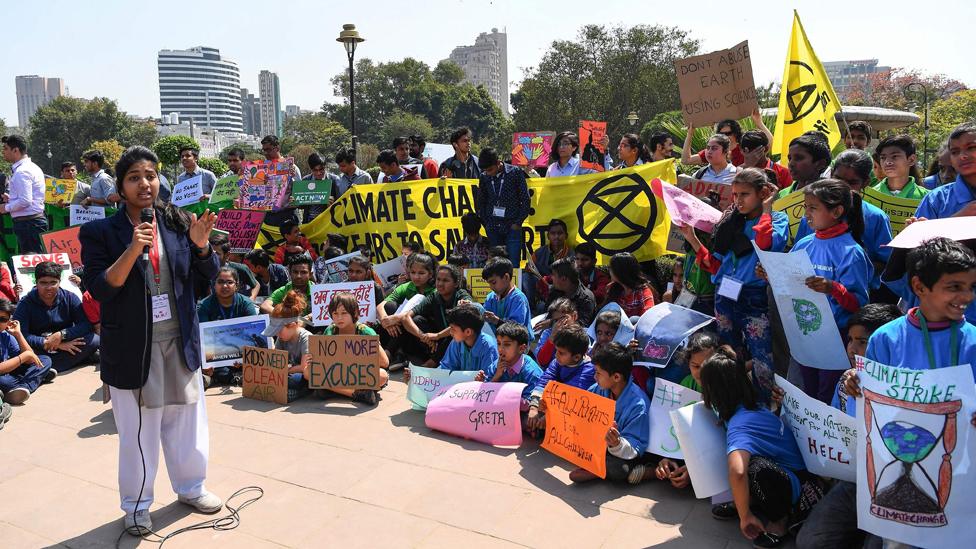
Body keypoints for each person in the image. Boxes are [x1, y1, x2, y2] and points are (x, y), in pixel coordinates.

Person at [79, 145, 222, 535]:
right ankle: (138, 504)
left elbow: (207, 274)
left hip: (180, 341)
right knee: (139, 431)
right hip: (133, 347)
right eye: (134, 178)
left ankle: (191, 487)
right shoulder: (99, 232)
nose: (145, 184)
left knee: (187, 421)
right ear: (121, 188)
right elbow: (99, 289)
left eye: (150, 176)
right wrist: (132, 249)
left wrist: (201, 245)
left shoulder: (178, 222)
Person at [837, 238, 976, 549]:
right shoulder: (887, 339)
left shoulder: (973, 342)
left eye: (971, 286)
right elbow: (870, 397)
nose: (966, 296)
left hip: (963, 468)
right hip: (901, 462)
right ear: (919, 286)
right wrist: (856, 387)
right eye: (954, 287)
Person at [682, 168, 787, 402]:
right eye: (735, 194)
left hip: (754, 297)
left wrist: (767, 209)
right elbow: (714, 264)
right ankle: (733, 401)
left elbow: (766, 243)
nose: (738, 201)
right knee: (729, 354)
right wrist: (691, 236)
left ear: (763, 193)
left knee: (762, 359)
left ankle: (760, 405)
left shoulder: (778, 219)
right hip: (725, 296)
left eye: (745, 194)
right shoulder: (729, 223)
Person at [700, 352, 822, 548]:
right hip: (788, 472)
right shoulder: (750, 406)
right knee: (747, 461)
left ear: (713, 390)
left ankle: (779, 521)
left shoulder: (741, 424)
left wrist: (745, 517)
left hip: (798, 484)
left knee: (754, 467)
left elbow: (737, 472)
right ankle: (747, 502)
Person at [790, 179, 872, 403]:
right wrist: (770, 274)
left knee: (829, 395)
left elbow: (858, 305)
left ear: (837, 211)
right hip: (807, 335)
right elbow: (791, 285)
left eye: (813, 208)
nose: (806, 214)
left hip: (835, 338)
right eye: (806, 207)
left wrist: (832, 287)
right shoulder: (804, 243)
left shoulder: (851, 252)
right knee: (809, 393)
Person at [567, 342, 651, 483]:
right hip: (598, 445)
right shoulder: (598, 389)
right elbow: (580, 412)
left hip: (621, 453)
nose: (595, 377)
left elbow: (635, 447)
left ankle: (597, 468)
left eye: (598, 373)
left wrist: (616, 443)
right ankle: (595, 464)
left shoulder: (638, 405)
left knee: (619, 468)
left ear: (616, 377)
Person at [13, 260, 99, 373]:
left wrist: (62, 335)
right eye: (43, 283)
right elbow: (21, 334)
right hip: (41, 348)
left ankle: (43, 368)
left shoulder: (70, 298)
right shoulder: (25, 304)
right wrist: (49, 343)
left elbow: (85, 325)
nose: (48, 287)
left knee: (94, 339)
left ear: (59, 282)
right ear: (36, 282)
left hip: (67, 343)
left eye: (53, 282)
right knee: (18, 349)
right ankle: (50, 366)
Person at [306, 292, 390, 405]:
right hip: (337, 372)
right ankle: (357, 394)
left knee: (382, 375)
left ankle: (335, 390)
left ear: (354, 313)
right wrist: (314, 359)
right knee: (308, 371)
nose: (339, 317)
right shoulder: (330, 330)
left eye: (344, 313)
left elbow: (385, 362)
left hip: (359, 374)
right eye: (335, 313)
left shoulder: (365, 331)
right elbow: (324, 359)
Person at [525, 323, 595, 433]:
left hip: (573, 415)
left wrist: (549, 416)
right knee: (529, 419)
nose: (556, 355)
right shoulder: (557, 362)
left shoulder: (589, 370)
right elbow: (544, 381)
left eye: (561, 353)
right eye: (556, 350)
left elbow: (571, 397)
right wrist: (534, 407)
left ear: (576, 357)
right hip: (553, 407)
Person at [400, 264, 472, 367]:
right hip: (437, 340)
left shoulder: (462, 296)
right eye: (438, 279)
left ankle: (431, 363)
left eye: (445, 280)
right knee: (417, 320)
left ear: (456, 284)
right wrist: (424, 336)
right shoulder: (434, 296)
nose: (440, 284)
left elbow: (461, 324)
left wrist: (437, 335)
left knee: (454, 333)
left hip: (454, 338)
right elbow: (406, 317)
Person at [404, 303, 495, 383]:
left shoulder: (489, 347)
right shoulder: (456, 343)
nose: (450, 332)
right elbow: (445, 369)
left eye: (453, 329)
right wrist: (417, 377)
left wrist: (482, 380)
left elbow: (490, 378)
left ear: (468, 332)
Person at [196, 267, 258, 385]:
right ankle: (219, 376)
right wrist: (206, 363)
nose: (225, 286)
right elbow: (202, 339)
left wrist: (243, 358)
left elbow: (252, 334)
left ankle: (226, 377)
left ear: (237, 285)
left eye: (229, 282)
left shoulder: (246, 304)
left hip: (242, 353)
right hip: (216, 356)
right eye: (220, 282)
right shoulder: (204, 306)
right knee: (214, 369)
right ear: (214, 285)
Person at [476, 147, 530, 263]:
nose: (488, 173)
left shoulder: (515, 172)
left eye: (490, 169)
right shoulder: (484, 177)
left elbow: (525, 200)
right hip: (493, 228)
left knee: (513, 264)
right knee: (496, 265)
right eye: (485, 170)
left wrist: (518, 223)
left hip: (512, 226)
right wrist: (487, 224)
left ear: (498, 162)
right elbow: (481, 202)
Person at [376, 253, 437, 354]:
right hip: (400, 330)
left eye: (421, 273)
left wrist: (395, 319)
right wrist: (385, 320)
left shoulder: (434, 291)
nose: (416, 277)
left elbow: (416, 314)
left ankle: (389, 352)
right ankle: (394, 352)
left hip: (421, 334)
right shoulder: (406, 286)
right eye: (413, 272)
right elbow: (381, 305)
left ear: (430, 274)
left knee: (414, 318)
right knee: (390, 306)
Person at [914, 122, 976, 221]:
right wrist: (957, 220)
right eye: (955, 152)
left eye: (971, 147)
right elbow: (918, 236)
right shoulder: (935, 199)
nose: (962, 156)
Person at [0, 299, 55, 405]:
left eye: (2, 319)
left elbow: (31, 358)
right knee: (4, 382)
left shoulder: (5, 335)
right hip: (3, 376)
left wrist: (18, 334)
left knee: (45, 360)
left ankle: (22, 387)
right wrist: (23, 357)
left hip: (10, 372)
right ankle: (36, 378)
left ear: (8, 321)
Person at [263, 290, 313, 402]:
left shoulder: (306, 338)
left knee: (296, 379)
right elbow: (276, 361)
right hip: (289, 372)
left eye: (279, 330)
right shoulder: (281, 338)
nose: (277, 334)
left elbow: (303, 367)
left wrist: (283, 370)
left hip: (304, 375)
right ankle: (286, 391)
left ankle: (302, 392)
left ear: (293, 325)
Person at [1, 135, 48, 254]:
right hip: (30, 223)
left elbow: (26, 200)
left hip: (29, 224)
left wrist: (5, 208)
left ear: (15, 150)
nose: (3, 152)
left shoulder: (22, 171)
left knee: (32, 264)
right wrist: (11, 199)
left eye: (5, 148)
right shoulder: (29, 167)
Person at [484, 322, 544, 408]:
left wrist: (501, 394)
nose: (500, 349)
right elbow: (485, 394)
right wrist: (496, 377)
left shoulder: (532, 372)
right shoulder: (497, 365)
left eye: (507, 344)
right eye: (498, 343)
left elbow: (530, 403)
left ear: (521, 348)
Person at [482, 257, 532, 335]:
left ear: (506, 277)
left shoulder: (518, 299)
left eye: (494, 282)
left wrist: (497, 321)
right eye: (489, 283)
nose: (491, 287)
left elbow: (516, 330)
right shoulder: (491, 297)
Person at [260, 135, 302, 227]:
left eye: (269, 149)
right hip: (268, 216)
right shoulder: (261, 169)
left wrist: (295, 201)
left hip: (288, 214)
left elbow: (299, 192)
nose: (266, 153)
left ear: (277, 148)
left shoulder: (292, 167)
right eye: (264, 150)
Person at [776, 132, 832, 198]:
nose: (791, 164)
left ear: (820, 164)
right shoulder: (782, 195)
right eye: (790, 158)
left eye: (799, 158)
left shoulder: (829, 196)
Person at [872, 134, 928, 200]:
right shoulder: (871, 195)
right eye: (883, 157)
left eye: (894, 156)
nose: (887, 162)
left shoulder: (927, 198)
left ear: (911, 160)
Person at [603, 252, 656, 320]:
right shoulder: (611, 288)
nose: (609, 272)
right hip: (613, 327)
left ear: (620, 272)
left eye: (611, 268)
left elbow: (648, 316)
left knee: (634, 319)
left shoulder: (643, 291)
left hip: (636, 328)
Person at [546, 258, 597, 326]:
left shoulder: (586, 299)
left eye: (554, 275)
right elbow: (548, 314)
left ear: (564, 279)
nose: (551, 277)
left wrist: (552, 323)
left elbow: (582, 326)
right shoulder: (555, 291)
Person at [208, 233, 259, 300]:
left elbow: (256, 285)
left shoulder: (241, 269)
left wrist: (251, 299)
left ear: (227, 255)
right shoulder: (204, 269)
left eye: (217, 254)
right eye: (210, 252)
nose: (212, 256)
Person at [533, 297, 577, 365]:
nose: (559, 323)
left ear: (574, 316)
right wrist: (552, 337)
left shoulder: (580, 335)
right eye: (556, 320)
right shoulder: (548, 334)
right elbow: (541, 361)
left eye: (563, 318)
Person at [299, 152, 341, 221]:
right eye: (315, 170)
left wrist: (333, 204)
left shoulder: (334, 180)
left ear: (325, 167)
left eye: (321, 169)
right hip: (310, 221)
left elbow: (341, 203)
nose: (318, 173)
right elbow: (302, 205)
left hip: (328, 221)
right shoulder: (305, 181)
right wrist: (296, 202)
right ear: (311, 169)